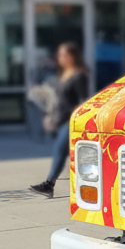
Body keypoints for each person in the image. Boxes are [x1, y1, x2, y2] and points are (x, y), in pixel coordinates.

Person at [30, 43, 89, 197]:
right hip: (59, 119)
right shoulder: (62, 74)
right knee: (70, 154)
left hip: (70, 121)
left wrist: (78, 119)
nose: (60, 58)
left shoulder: (79, 75)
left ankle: (49, 184)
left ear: (72, 56)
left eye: (63, 54)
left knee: (59, 151)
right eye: (59, 54)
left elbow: (83, 100)